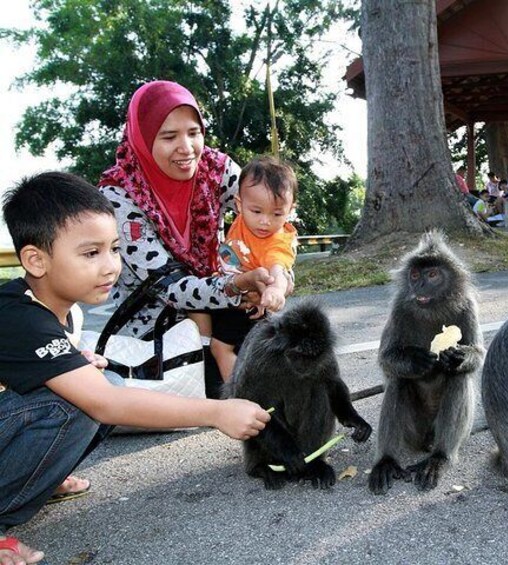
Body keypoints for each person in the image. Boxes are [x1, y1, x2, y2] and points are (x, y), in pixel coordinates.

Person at [0, 172, 270, 565]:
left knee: (96, 379)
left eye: (113, 249)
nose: (111, 266)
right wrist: (217, 411)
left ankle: (35, 478)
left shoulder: (63, 312)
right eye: (91, 254)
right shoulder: (18, 315)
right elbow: (106, 404)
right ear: (35, 260)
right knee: (77, 403)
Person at [98, 80, 274, 399]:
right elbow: (171, 288)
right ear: (142, 138)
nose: (187, 148)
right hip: (154, 326)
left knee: (272, 338)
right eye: (169, 136)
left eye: (193, 133)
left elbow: (272, 214)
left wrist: (276, 278)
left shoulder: (216, 169)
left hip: (217, 296)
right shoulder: (121, 197)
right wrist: (236, 287)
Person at [188, 156, 297, 382]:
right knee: (198, 313)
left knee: (221, 348)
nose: (265, 221)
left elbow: (279, 268)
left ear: (290, 210)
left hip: (247, 303)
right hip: (227, 292)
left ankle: (238, 394)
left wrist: (275, 290)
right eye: (257, 211)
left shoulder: (276, 241)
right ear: (239, 205)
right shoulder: (243, 218)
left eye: (277, 214)